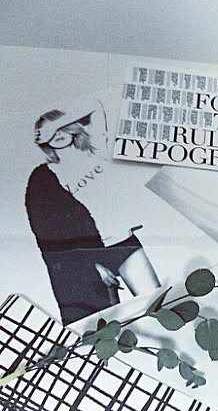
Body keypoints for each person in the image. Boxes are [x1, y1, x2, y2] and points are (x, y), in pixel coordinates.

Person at [25, 99, 160, 325]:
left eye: (60, 128)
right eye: (49, 133)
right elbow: (50, 231)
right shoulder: (45, 175)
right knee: (107, 324)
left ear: (72, 126)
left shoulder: (97, 151)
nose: (57, 135)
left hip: (123, 242)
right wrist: (91, 265)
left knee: (155, 305)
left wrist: (58, 122)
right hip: (89, 254)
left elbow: (98, 106)